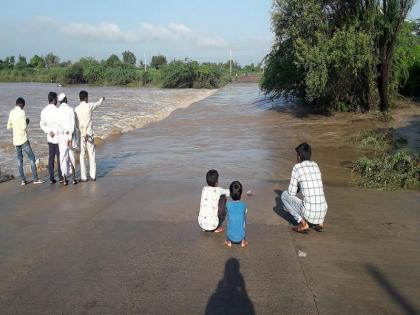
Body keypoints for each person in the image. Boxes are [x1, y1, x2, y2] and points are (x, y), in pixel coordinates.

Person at [281, 143, 328, 233]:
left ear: (299, 156)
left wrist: (298, 186)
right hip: (323, 211)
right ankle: (319, 223)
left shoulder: (297, 167)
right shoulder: (315, 165)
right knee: (316, 196)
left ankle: (302, 223)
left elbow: (291, 193)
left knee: (284, 195)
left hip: (309, 212)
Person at [6, 97, 43, 186]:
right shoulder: (22, 112)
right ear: (21, 104)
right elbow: (24, 127)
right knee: (32, 158)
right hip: (23, 139)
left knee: (19, 160)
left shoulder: (11, 112)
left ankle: (23, 180)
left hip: (16, 140)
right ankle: (35, 179)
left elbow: (8, 126)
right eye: (23, 106)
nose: (23, 108)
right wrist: (27, 121)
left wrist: (15, 126)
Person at [74, 90, 105, 182]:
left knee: (82, 155)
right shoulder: (89, 106)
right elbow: (97, 104)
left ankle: (83, 177)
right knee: (91, 154)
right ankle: (93, 175)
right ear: (86, 98)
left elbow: (76, 124)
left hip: (81, 134)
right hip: (89, 134)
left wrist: (80, 131)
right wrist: (101, 99)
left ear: (80, 98)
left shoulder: (76, 109)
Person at [40, 91, 63, 184]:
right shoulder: (58, 110)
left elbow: (42, 124)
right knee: (59, 157)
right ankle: (61, 177)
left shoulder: (43, 111)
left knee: (51, 158)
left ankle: (51, 178)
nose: (57, 100)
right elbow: (60, 124)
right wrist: (56, 131)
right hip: (58, 137)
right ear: (54, 99)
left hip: (50, 137)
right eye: (56, 99)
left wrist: (49, 131)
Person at [57, 93, 77, 186]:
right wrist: (69, 137)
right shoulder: (70, 110)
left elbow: (58, 126)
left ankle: (64, 179)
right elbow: (72, 125)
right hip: (70, 135)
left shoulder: (58, 110)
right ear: (66, 99)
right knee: (71, 156)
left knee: (63, 157)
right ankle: (74, 178)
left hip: (62, 136)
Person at [224, 181, 248, 248]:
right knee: (243, 219)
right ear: (241, 194)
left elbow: (226, 213)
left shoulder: (228, 205)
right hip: (241, 236)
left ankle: (228, 242)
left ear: (230, 194)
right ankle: (243, 241)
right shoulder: (243, 205)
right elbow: (245, 212)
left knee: (229, 220)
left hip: (230, 236)